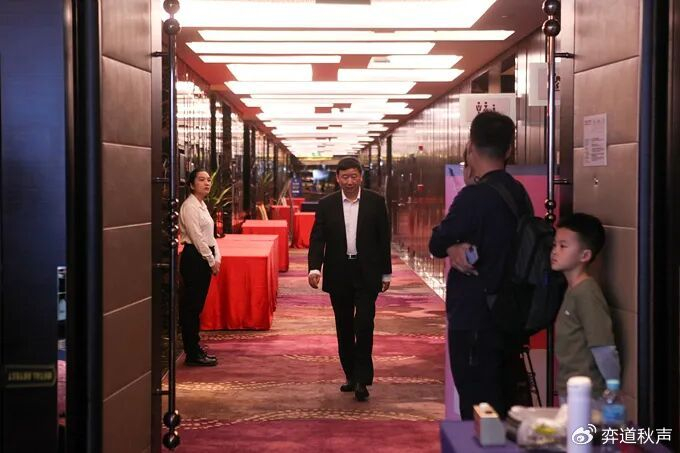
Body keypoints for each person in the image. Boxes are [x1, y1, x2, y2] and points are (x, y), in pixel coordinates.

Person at [429, 111, 531, 419]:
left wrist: (451, 246)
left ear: (470, 146)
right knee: (506, 400)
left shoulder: (473, 197)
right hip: (511, 312)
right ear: (509, 149)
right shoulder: (518, 193)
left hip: (475, 316)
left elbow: (436, 242)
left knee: (478, 407)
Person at [308, 157, 392, 401]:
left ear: (361, 177)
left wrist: (386, 272)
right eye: (344, 177)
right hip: (339, 272)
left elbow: (383, 239)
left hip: (367, 272)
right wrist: (314, 268)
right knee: (344, 326)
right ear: (337, 178)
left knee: (364, 324)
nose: (349, 181)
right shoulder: (327, 204)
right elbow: (318, 238)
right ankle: (351, 375)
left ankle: (362, 379)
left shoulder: (376, 202)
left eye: (354, 176)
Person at [551, 213, 620, 399]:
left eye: (563, 246)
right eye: (554, 245)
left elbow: (604, 348)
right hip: (572, 388)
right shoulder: (573, 289)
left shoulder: (587, 293)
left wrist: (613, 388)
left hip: (589, 393)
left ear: (585, 255)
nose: (555, 251)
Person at [179, 168, 220, 367]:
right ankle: (192, 352)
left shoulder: (202, 205)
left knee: (197, 306)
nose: (207, 183)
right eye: (201, 180)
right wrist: (211, 260)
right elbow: (196, 238)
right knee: (191, 308)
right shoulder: (189, 207)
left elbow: (210, 236)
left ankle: (195, 348)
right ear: (191, 184)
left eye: (208, 180)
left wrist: (217, 257)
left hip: (203, 256)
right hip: (194, 258)